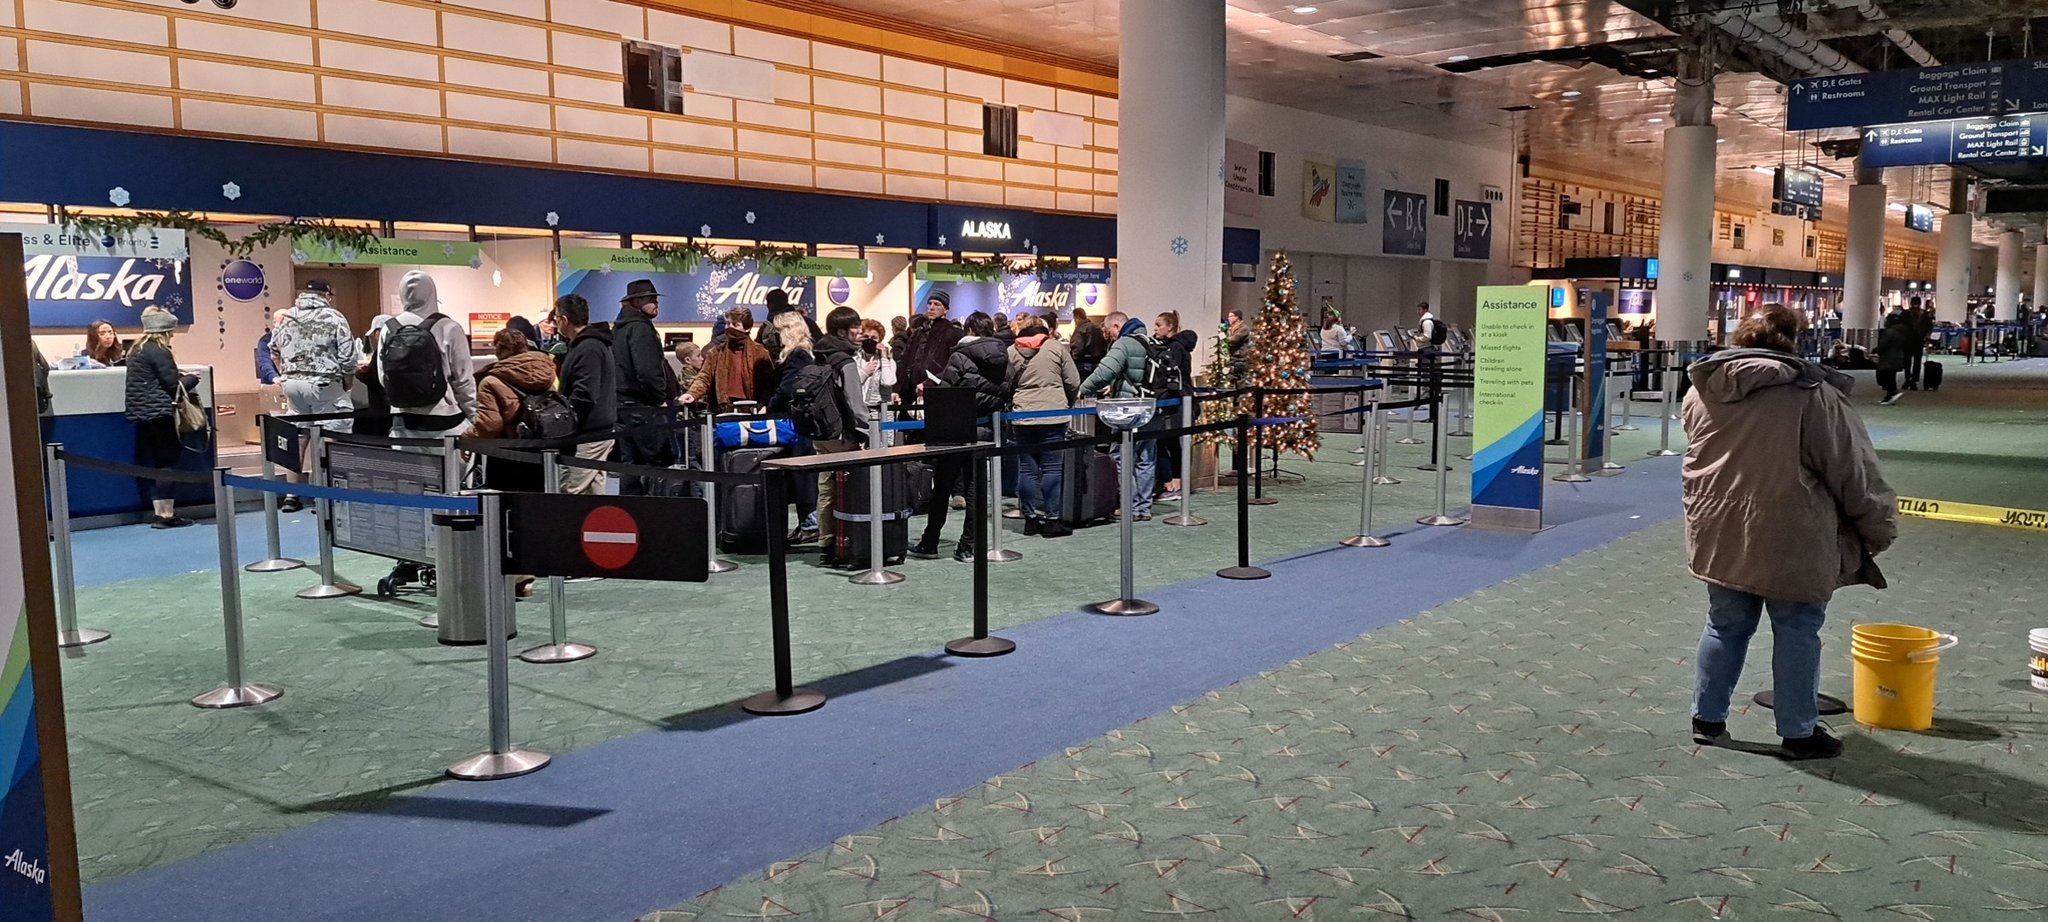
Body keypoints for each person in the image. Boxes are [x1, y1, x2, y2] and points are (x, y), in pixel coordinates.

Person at [1683, 303, 1896, 761]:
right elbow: (1850, 469)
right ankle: (1799, 731)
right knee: (1797, 628)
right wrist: (1877, 526)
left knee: (1724, 623)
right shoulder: (1811, 394)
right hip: (1793, 531)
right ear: (1796, 340)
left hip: (1718, 529)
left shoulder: (1701, 390)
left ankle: (1707, 717)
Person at [909, 311, 1009, 562]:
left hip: (955, 431)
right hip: (986, 428)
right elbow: (1005, 392)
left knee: (943, 487)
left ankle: (930, 541)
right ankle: (968, 546)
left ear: (970, 330)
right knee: (976, 489)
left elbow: (946, 394)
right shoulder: (1006, 358)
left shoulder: (960, 356)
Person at [271, 287, 364, 511]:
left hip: (293, 386)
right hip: (324, 385)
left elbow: (273, 349)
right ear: (327, 295)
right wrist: (347, 383)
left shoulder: (288, 316)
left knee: (298, 437)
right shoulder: (334, 317)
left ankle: (292, 496)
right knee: (330, 437)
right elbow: (348, 357)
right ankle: (324, 496)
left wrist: (285, 374)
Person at [799, 308, 872, 566]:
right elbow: (855, 403)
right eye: (855, 327)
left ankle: (826, 542)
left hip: (821, 432)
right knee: (849, 489)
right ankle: (848, 542)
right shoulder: (845, 362)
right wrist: (867, 432)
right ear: (842, 331)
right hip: (842, 434)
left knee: (826, 488)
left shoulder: (819, 356)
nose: (860, 332)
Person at [1078, 311, 1159, 521]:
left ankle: (1129, 507)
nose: (1108, 336)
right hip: (1150, 408)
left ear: (1117, 326)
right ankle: (1143, 508)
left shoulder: (1124, 344)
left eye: (1108, 331)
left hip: (1128, 411)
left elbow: (1104, 371)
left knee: (1122, 458)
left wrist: (1081, 389)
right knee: (1146, 460)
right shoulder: (1149, 341)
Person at [375, 271, 476, 439]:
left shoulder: (389, 328)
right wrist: (474, 417)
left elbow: (383, 376)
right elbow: (463, 380)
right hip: (445, 421)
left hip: (402, 422)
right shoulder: (449, 327)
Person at [1006, 314, 1078, 538]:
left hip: (1023, 416)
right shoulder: (1055, 348)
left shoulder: (1011, 351)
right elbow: (1073, 381)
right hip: (1053, 415)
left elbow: (1005, 384)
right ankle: (1052, 520)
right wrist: (1066, 402)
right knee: (1052, 468)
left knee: (1027, 469)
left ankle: (1030, 519)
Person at [124, 307, 196, 528]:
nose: (173, 334)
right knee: (167, 462)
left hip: (141, 413)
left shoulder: (136, 349)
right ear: (163, 331)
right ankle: (167, 515)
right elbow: (173, 386)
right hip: (161, 413)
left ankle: (159, 512)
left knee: (154, 463)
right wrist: (192, 379)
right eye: (171, 331)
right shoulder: (159, 350)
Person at [764, 311, 825, 545]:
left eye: (778, 331)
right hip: (803, 423)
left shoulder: (797, 356)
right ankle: (807, 524)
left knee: (802, 474)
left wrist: (768, 407)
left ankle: (810, 524)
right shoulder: (806, 352)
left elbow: (789, 388)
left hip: (799, 425)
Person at [610, 278, 674, 494]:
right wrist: (659, 398)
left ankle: (632, 520)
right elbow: (647, 371)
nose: (656, 303)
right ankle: (663, 519)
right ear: (636, 301)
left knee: (630, 470)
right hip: (643, 409)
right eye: (651, 298)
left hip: (623, 408)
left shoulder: (620, 327)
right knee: (661, 468)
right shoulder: (640, 328)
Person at [470, 328, 554, 492]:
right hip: (540, 449)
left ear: (499, 349)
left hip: (506, 453)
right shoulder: (546, 372)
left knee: (504, 508)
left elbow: (490, 425)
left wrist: (467, 438)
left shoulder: (491, 381)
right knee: (535, 504)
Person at [551, 294, 616, 495]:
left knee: (570, 492)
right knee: (593, 493)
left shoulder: (588, 348)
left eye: (555, 319)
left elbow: (585, 393)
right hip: (593, 430)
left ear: (564, 319)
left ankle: (566, 527)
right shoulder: (589, 345)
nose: (554, 324)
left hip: (588, 434)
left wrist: (565, 419)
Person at [683, 308, 777, 412]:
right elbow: (704, 378)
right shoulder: (716, 352)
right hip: (725, 408)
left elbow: (769, 383)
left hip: (753, 408)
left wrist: (763, 404)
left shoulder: (760, 352)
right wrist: (692, 393)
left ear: (747, 328)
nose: (729, 328)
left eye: (735, 325)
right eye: (728, 324)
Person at [1153, 310, 1197, 502]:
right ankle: (1175, 483)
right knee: (1172, 443)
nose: (1155, 328)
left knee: (1164, 442)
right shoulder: (1176, 347)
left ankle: (1172, 484)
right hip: (1181, 401)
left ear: (1169, 327)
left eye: (1158, 325)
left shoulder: (1175, 349)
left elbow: (1170, 377)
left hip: (1176, 403)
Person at [897, 290, 964, 404]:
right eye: (930, 303)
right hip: (911, 394)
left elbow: (954, 366)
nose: (931, 307)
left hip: (938, 393)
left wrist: (930, 383)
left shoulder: (953, 333)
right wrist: (898, 388)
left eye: (937, 304)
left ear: (946, 309)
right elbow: (904, 360)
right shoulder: (918, 333)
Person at [755, 288, 820, 368]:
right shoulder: (806, 322)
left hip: (778, 373)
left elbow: (758, 354)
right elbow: (820, 346)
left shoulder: (766, 328)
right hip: (807, 370)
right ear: (786, 301)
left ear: (770, 305)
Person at [856, 318, 897, 413]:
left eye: (874, 338)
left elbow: (887, 382)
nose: (869, 340)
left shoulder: (889, 362)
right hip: (861, 412)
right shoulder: (855, 359)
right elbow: (852, 384)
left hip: (882, 413)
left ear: (880, 340)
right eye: (866, 337)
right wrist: (864, 373)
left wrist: (883, 357)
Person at [1874, 310, 1912, 406]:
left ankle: (1892, 393)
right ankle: (1889, 396)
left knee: (1885, 376)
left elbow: (1884, 344)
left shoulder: (1889, 332)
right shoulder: (1902, 332)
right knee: (1891, 376)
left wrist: (1876, 350)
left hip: (1888, 357)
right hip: (1898, 357)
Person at [1068, 307, 1108, 380]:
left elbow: (1077, 349)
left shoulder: (1080, 330)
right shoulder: (1097, 328)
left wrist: (1072, 360)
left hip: (1083, 365)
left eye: (1074, 319)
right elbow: (1105, 344)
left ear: (1078, 317)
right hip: (1098, 364)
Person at [1904, 296, 1932, 390]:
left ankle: (1913, 380)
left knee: (1916, 361)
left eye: (1917, 304)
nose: (1915, 306)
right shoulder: (1906, 313)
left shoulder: (1924, 314)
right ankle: (1908, 379)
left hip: (1919, 340)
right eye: (1914, 304)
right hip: (1908, 339)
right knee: (1908, 361)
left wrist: (1927, 335)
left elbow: (1929, 326)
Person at [1226, 308, 1251, 382]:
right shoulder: (1230, 328)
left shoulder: (1244, 329)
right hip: (1231, 356)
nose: (1229, 318)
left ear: (1237, 317)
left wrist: (1225, 340)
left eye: (1231, 316)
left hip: (1240, 357)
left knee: (1239, 378)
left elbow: (1235, 340)